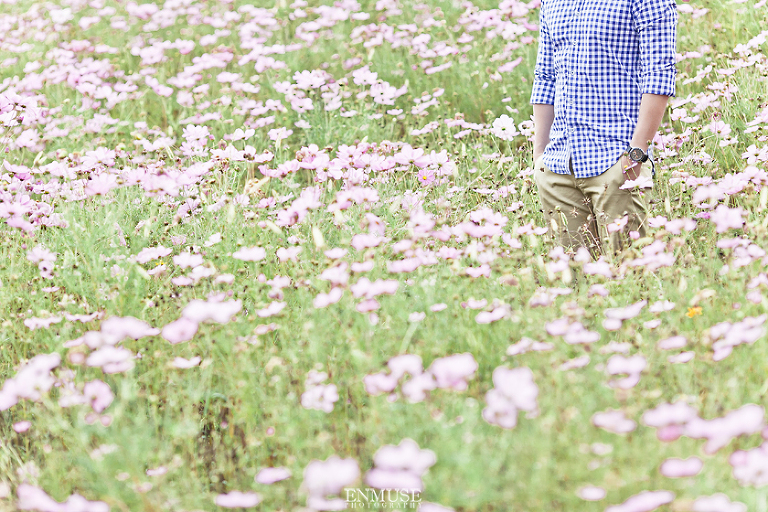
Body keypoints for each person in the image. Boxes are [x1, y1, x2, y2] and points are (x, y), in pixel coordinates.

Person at [530, 0, 678, 255]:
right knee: (572, 286)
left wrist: (637, 153)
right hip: (558, 167)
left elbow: (658, 74)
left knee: (629, 279)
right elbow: (545, 76)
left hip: (616, 164)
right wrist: (540, 158)